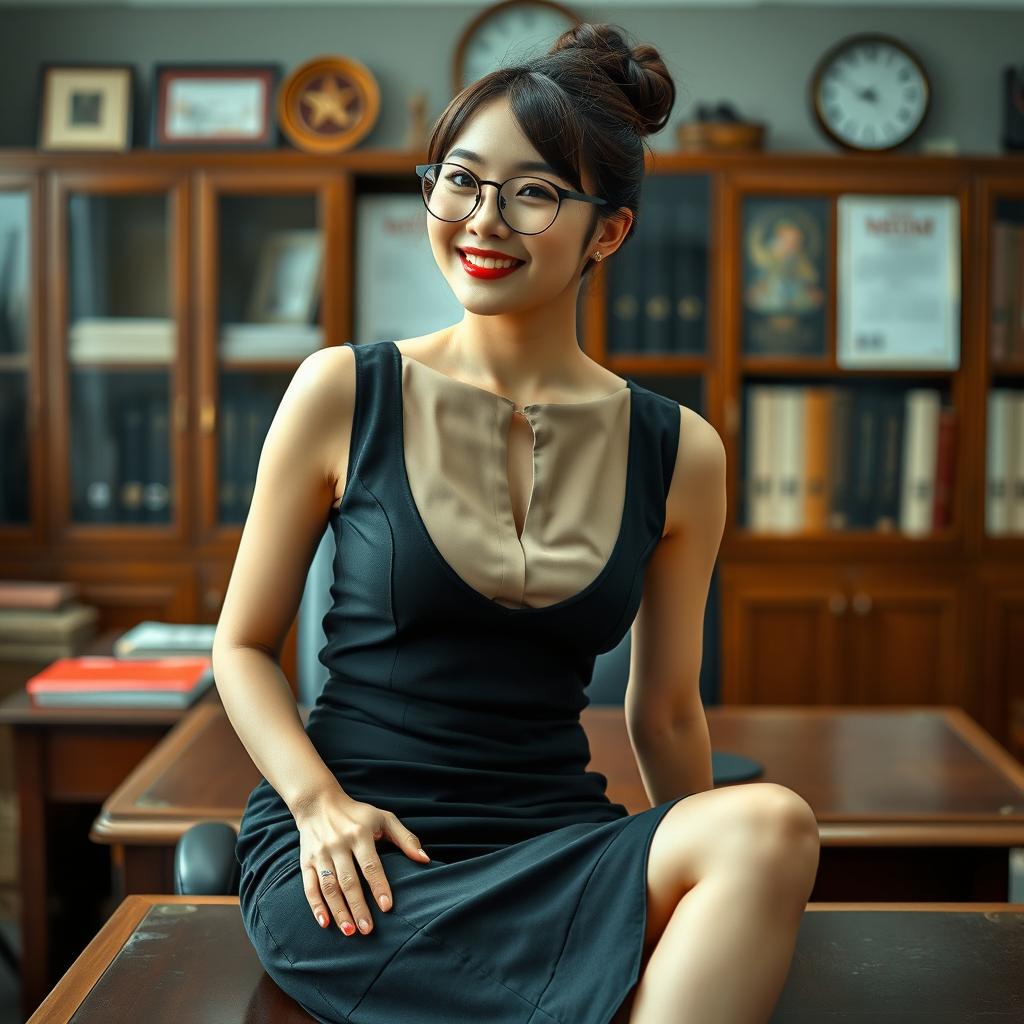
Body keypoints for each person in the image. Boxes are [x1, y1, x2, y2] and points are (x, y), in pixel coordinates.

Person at [213, 21, 820, 1024]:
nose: (482, 220)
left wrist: (691, 886)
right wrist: (315, 804)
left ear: (608, 231)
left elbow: (664, 712)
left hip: (552, 844)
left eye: (533, 192)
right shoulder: (341, 391)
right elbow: (240, 646)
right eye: (459, 179)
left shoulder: (681, 452)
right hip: (360, 856)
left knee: (770, 829)